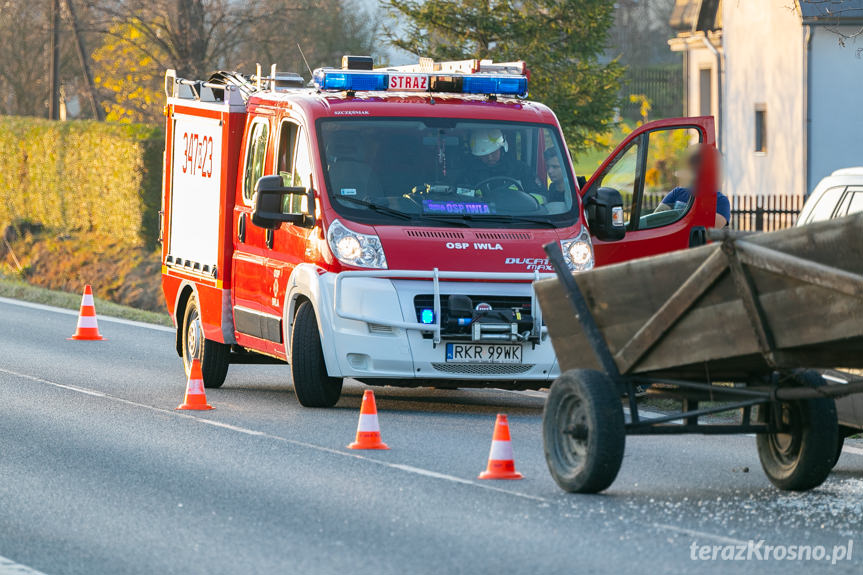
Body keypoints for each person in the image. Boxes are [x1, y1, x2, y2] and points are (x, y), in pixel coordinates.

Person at [654, 147, 730, 228]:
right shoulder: (677, 192)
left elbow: (707, 229)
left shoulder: (721, 201)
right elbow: (656, 219)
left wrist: (677, 216)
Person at [467, 128, 538, 192]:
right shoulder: (471, 174)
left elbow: (538, 195)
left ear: (501, 148)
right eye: (484, 155)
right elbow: (462, 197)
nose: (490, 158)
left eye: (493, 152)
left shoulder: (520, 169)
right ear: (478, 156)